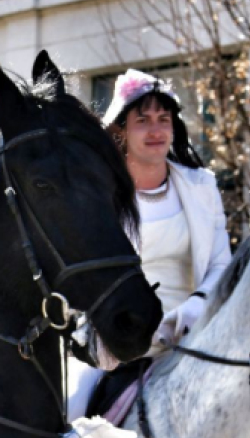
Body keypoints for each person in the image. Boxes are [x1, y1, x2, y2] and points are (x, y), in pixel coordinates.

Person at [67, 69, 232, 421]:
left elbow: (221, 265)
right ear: (120, 130)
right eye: (142, 120)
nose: (156, 130)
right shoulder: (98, 194)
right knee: (70, 408)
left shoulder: (201, 186)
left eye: (164, 119)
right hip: (116, 344)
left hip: (194, 339)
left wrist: (196, 307)